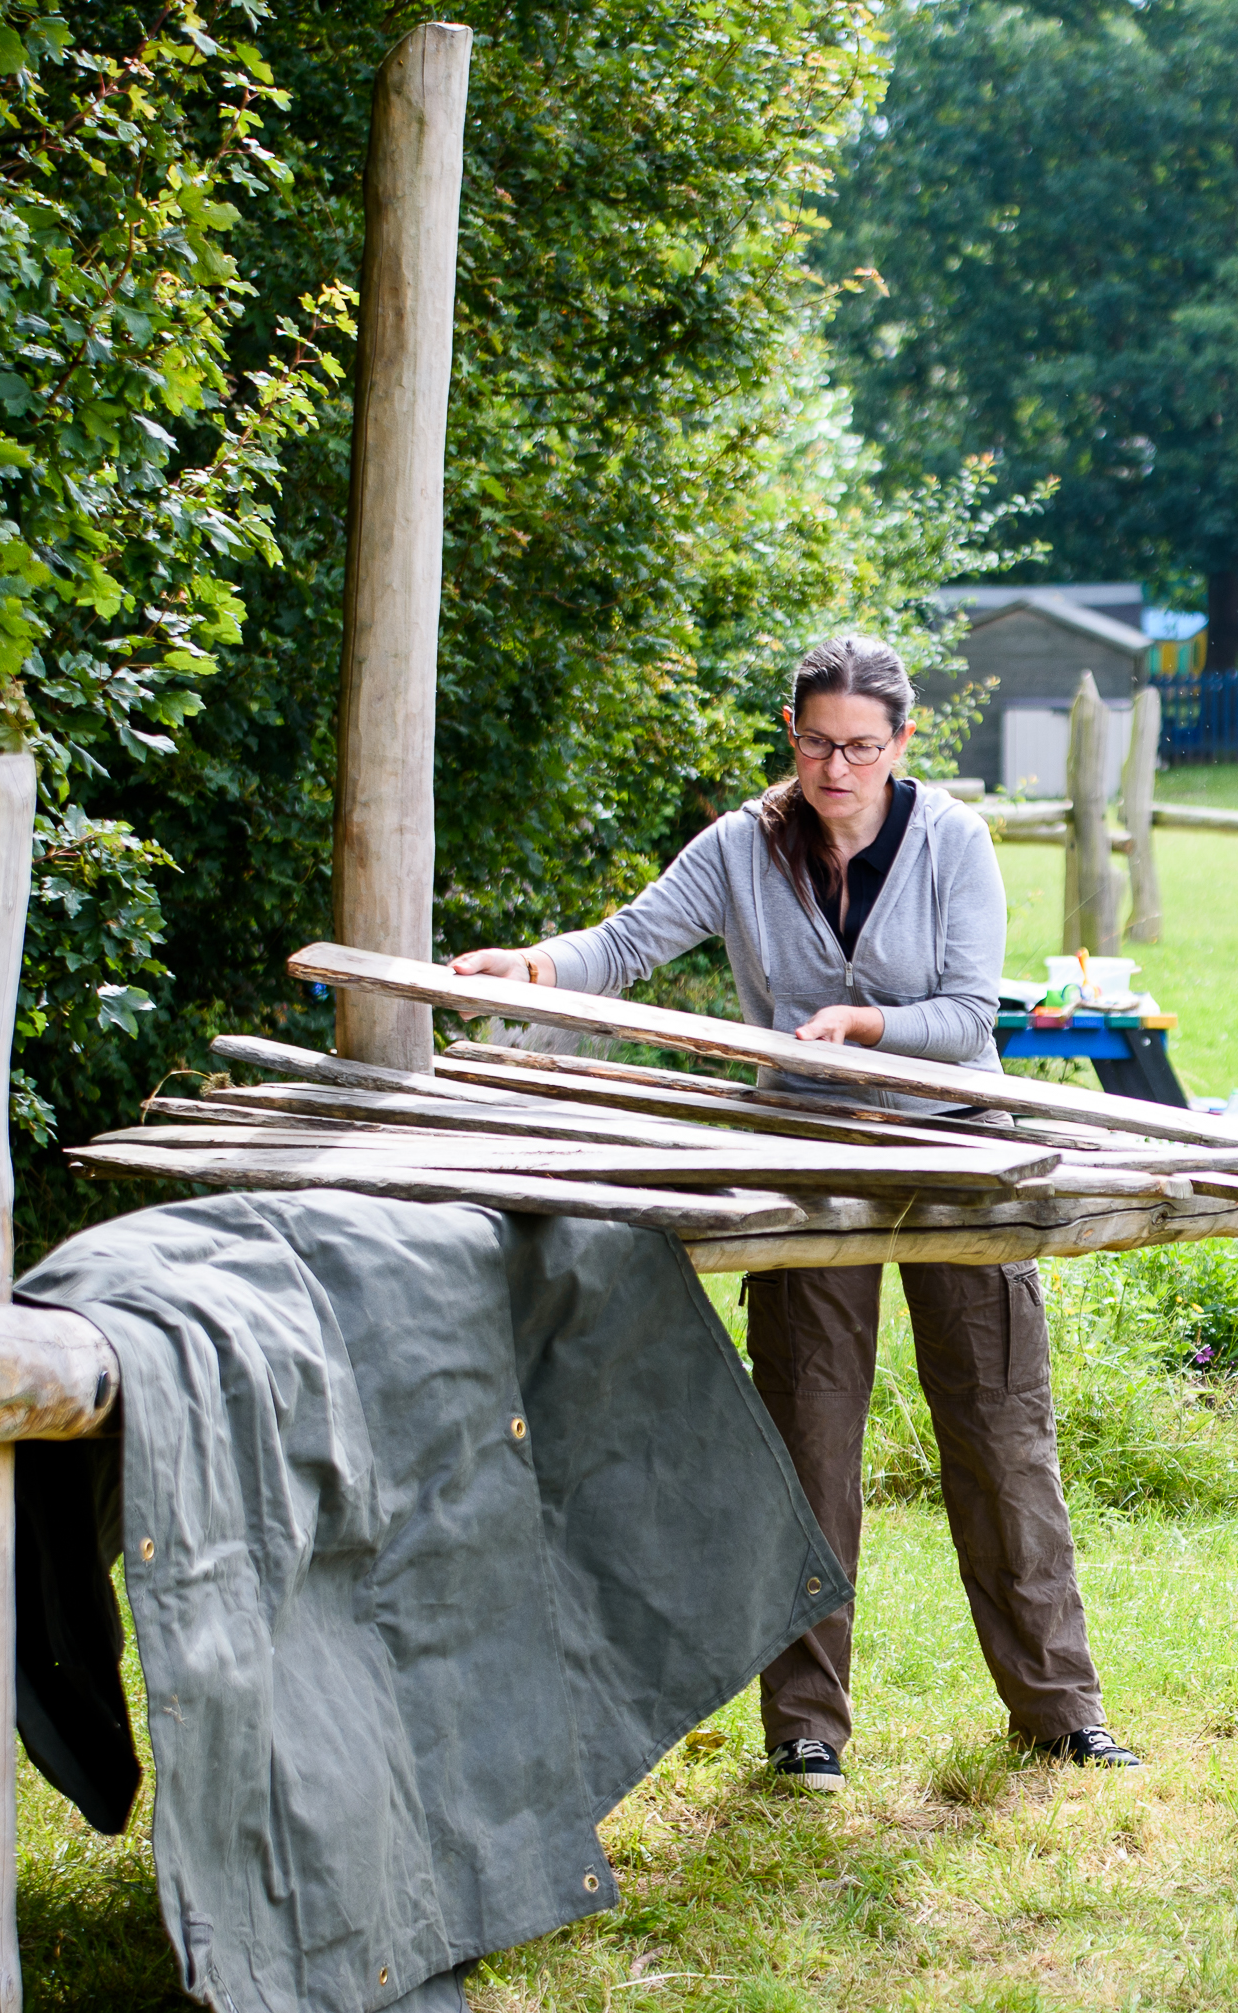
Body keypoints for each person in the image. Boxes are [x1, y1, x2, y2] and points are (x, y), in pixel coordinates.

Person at [449, 635, 1140, 1793]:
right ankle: (805, 1724)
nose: (836, 768)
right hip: (808, 1155)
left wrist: (865, 1028)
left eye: (861, 748)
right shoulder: (740, 844)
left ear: (901, 746)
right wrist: (531, 967)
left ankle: (1058, 1707)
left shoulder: (953, 842)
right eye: (817, 742)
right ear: (791, 733)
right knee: (809, 1428)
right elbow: (623, 945)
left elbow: (971, 1014)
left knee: (999, 1423)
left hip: (953, 1149)